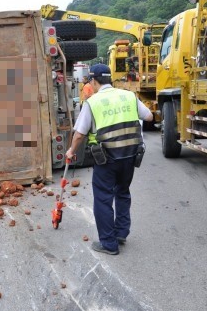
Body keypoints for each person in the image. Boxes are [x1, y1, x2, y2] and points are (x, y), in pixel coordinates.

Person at [65, 64, 153, 256]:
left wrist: (71, 151)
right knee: (122, 192)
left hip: (107, 158)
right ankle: (121, 233)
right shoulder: (128, 96)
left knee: (103, 198)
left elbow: (79, 134)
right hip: (130, 155)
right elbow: (149, 116)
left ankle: (108, 243)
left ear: (94, 81)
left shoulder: (93, 102)